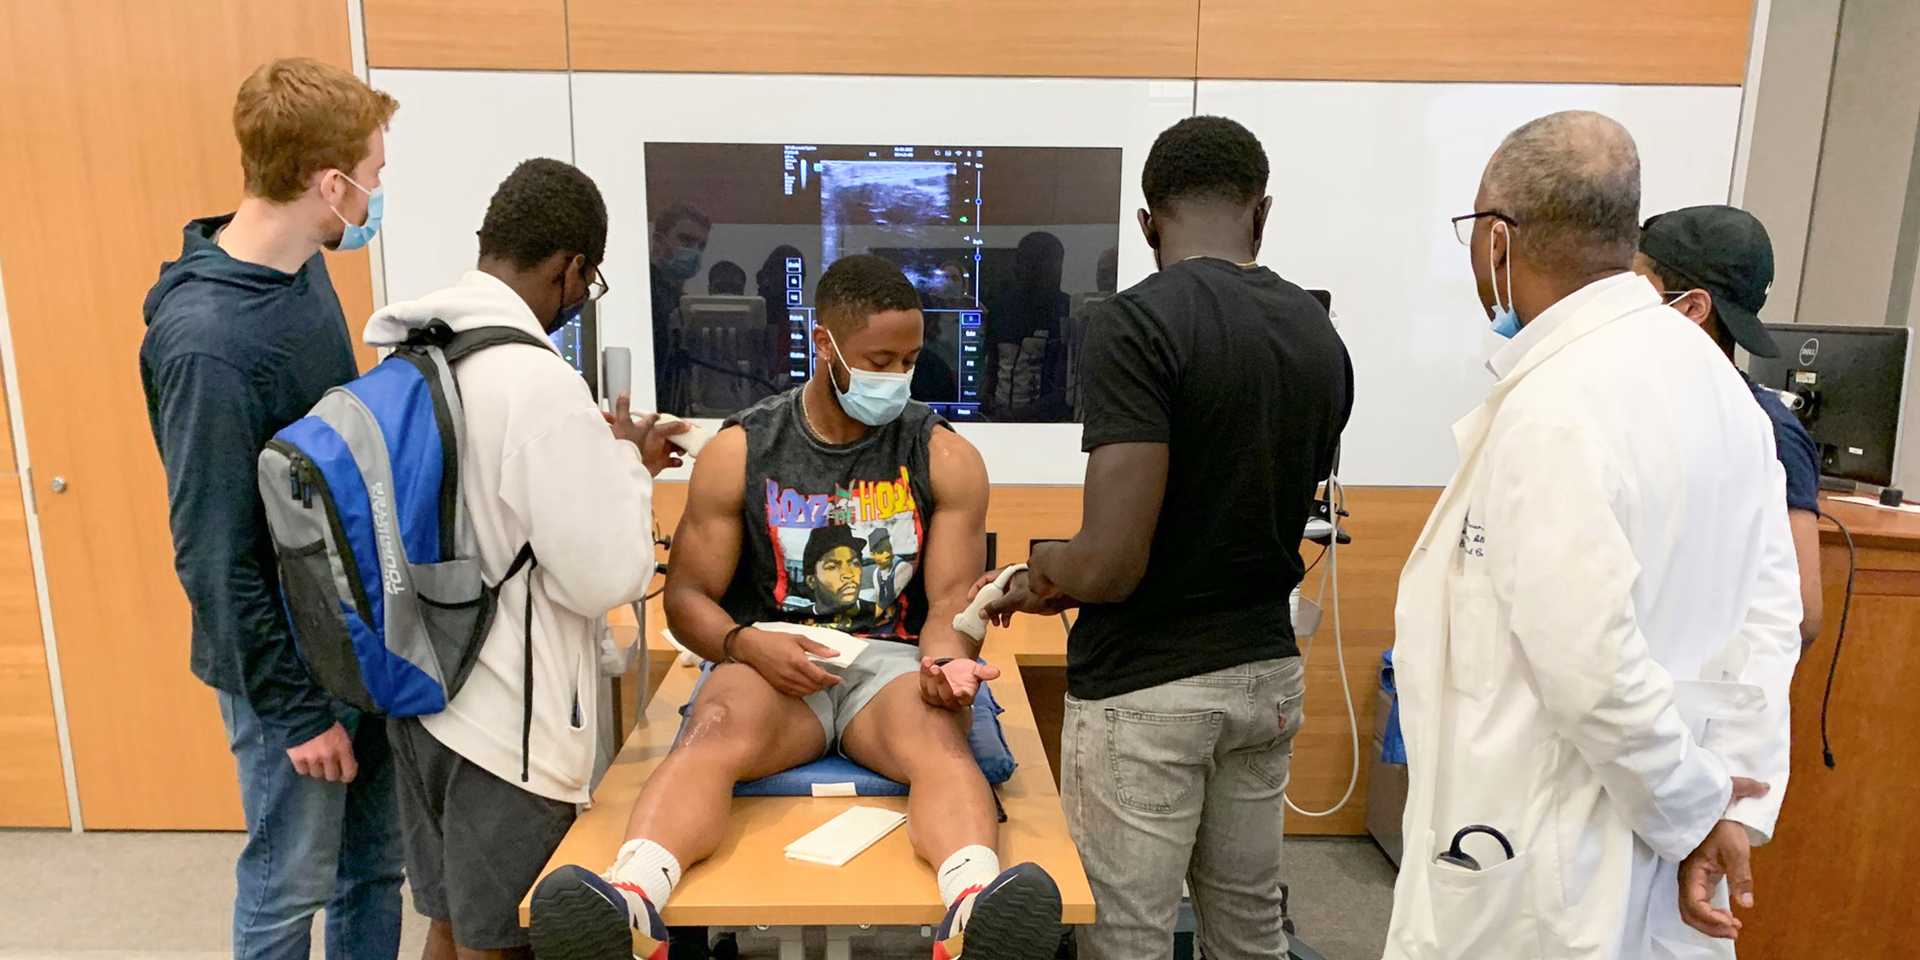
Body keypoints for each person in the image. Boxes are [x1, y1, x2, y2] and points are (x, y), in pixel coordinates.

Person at [530, 255, 1062, 960]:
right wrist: (746, 645)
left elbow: (946, 605)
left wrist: (946, 661)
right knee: (713, 727)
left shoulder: (943, 456)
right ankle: (632, 905)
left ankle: (971, 910)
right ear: (824, 344)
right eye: (878, 359)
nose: (896, 378)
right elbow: (687, 600)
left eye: (908, 360)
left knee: (939, 742)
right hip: (772, 659)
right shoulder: (743, 450)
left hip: (892, 664)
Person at [1387, 111, 1802, 958]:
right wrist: (1732, 805)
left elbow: (1593, 671)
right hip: (1649, 828)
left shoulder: (1557, 406)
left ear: (1498, 240)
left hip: (1547, 865)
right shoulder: (1719, 384)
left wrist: (1694, 813)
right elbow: (1770, 622)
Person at [979, 116, 1352, 959]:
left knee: (1127, 936)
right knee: (1251, 926)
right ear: (1263, 213)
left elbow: (1110, 566)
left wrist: (1037, 574)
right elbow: (1242, 507)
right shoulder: (1317, 332)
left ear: (1148, 224)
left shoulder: (1134, 322)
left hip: (1151, 693)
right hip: (1267, 678)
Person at [362, 159, 684, 960]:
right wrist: (628, 470)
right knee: (502, 940)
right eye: (588, 280)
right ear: (570, 268)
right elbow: (607, 575)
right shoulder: (536, 382)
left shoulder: (415, 349)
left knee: (446, 921)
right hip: (505, 725)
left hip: (420, 690)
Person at [140, 59, 402, 960]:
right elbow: (214, 556)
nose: (376, 193)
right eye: (372, 175)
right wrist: (296, 713)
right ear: (330, 185)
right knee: (288, 886)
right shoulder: (208, 346)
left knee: (372, 870)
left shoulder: (298, 273)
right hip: (282, 668)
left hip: (351, 635)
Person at [1634, 205, 1824, 646]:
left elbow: (1801, 613)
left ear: (1692, 308)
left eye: (1636, 286)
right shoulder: (1638, 404)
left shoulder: (1765, 428)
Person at [650, 202, 712, 411]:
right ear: (658, 241)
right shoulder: (645, 295)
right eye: (686, 241)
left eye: (701, 246)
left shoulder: (683, 303)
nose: (694, 252)